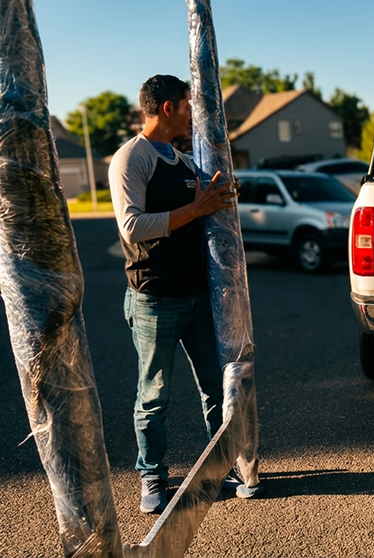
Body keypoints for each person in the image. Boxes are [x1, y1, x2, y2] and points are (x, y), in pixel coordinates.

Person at [109, 74, 240, 513]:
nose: (192, 113)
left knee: (217, 389)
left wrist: (217, 199)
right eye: (187, 104)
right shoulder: (131, 159)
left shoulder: (184, 161)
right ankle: (152, 476)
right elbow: (131, 227)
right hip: (154, 298)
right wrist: (195, 208)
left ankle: (221, 465)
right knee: (153, 397)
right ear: (166, 107)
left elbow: (203, 212)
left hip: (198, 298)